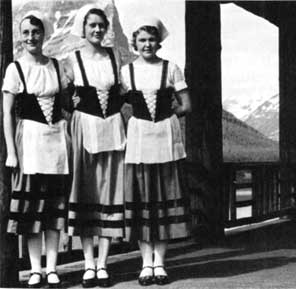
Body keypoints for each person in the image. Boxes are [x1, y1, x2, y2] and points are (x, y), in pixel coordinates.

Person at [121, 17, 191, 286]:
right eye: (142, 40)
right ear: (135, 43)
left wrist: (167, 116)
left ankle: (160, 262)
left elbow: (186, 104)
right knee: (142, 198)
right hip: (139, 138)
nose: (147, 44)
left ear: (158, 42)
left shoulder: (170, 68)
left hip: (164, 136)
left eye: (151, 39)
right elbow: (117, 102)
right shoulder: (126, 72)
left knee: (162, 198)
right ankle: (145, 263)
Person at [2, 11, 70, 288]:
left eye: (36, 32)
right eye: (26, 32)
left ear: (44, 34)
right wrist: (11, 152)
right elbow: (6, 114)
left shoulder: (56, 65)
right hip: (29, 142)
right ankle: (35, 269)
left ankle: (52, 268)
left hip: (56, 142)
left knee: (53, 210)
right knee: (32, 212)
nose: (31, 37)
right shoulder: (15, 69)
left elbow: (67, 104)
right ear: (21, 36)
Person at [65, 5, 126, 288]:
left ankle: (103, 263)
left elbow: (125, 93)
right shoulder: (72, 60)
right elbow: (61, 97)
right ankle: (88, 263)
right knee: (86, 191)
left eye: (101, 25)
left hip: (112, 127)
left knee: (109, 192)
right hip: (84, 129)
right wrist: (71, 106)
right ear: (83, 28)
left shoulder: (116, 57)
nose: (97, 30)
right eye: (92, 25)